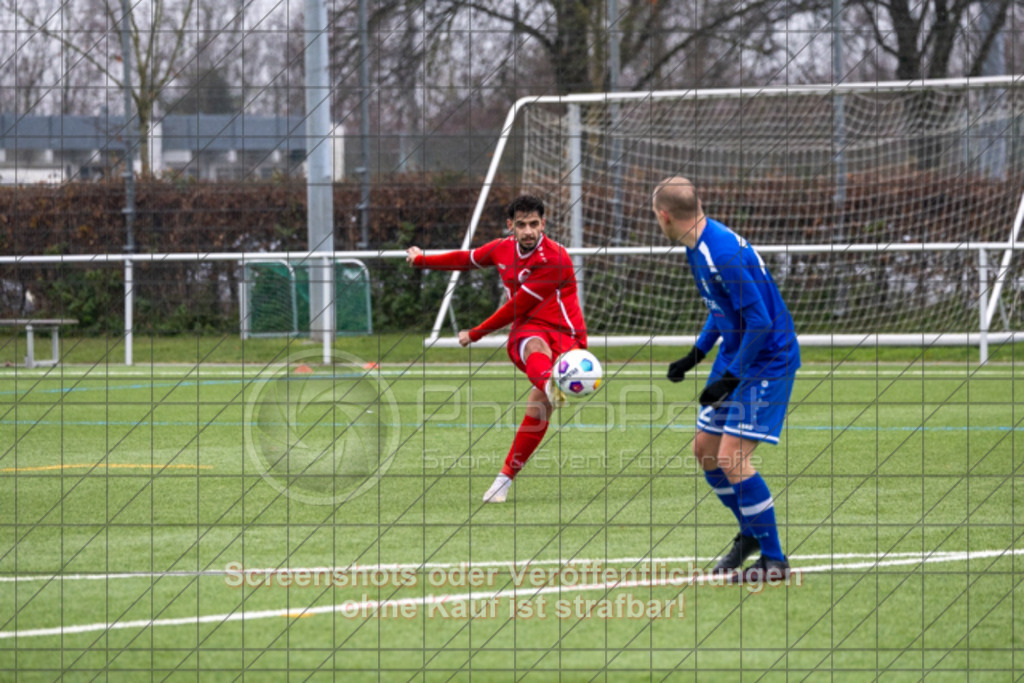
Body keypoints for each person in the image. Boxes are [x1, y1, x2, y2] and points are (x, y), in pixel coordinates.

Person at [652, 176, 801, 583]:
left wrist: (731, 377)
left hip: (767, 359)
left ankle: (774, 560)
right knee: (705, 450)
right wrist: (696, 355)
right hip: (738, 355)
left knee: (732, 458)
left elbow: (760, 320)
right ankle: (751, 535)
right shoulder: (697, 244)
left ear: (663, 215)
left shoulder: (720, 251)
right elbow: (721, 307)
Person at [407, 195, 587, 503]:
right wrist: (423, 259)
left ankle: (503, 482)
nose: (528, 231)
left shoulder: (555, 258)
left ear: (543, 224)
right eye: (521, 225)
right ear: (511, 226)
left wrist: (475, 334)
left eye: (534, 224)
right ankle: (547, 380)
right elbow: (465, 259)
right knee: (534, 345)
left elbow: (516, 306)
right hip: (529, 332)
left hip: (567, 336)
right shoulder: (501, 249)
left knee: (538, 412)